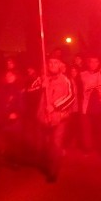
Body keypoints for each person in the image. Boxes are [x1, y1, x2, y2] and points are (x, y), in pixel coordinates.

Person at [36, 54, 75, 182]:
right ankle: (50, 161)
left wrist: (54, 106)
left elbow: (71, 97)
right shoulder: (44, 78)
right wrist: (41, 85)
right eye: (50, 63)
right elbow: (29, 89)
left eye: (55, 63)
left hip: (60, 118)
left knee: (56, 144)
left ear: (60, 65)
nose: (52, 65)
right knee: (46, 145)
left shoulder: (66, 80)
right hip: (44, 117)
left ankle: (53, 172)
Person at [78, 53, 101, 157]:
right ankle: (87, 149)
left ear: (99, 63)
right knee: (86, 129)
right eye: (91, 62)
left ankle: (100, 148)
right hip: (86, 105)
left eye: (95, 62)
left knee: (99, 129)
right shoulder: (82, 75)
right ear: (88, 63)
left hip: (100, 106)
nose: (93, 64)